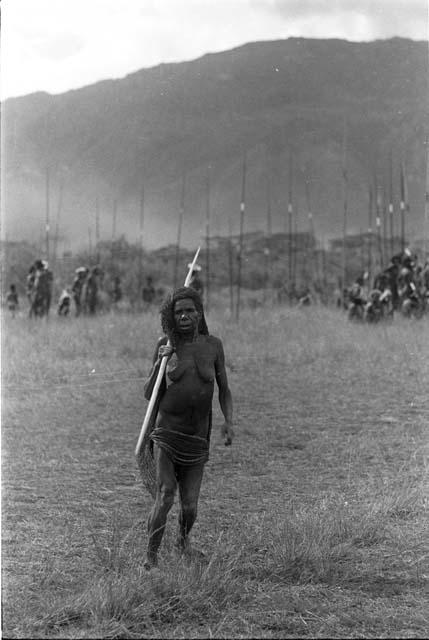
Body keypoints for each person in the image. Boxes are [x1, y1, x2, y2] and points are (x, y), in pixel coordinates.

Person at [143, 286, 234, 570]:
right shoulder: (165, 344)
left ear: (200, 313)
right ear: (171, 316)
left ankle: (182, 543)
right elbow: (149, 393)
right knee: (166, 494)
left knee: (190, 506)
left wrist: (229, 422)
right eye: (178, 311)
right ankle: (150, 559)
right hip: (167, 434)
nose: (184, 316)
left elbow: (224, 389)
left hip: (197, 438)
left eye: (189, 310)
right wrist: (161, 362)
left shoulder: (213, 346)